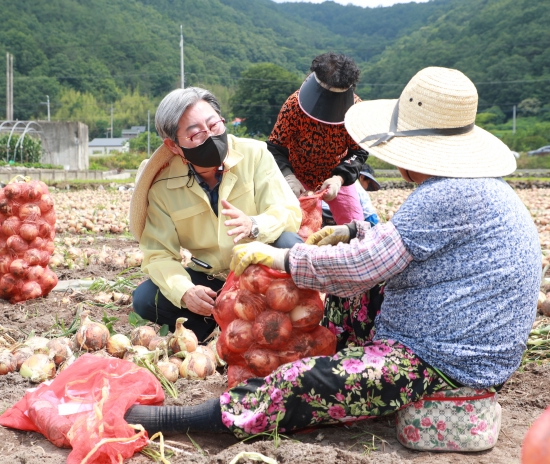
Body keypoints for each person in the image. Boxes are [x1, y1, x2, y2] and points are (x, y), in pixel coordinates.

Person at [124, 67, 541, 439]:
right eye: (195, 133)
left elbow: (362, 266)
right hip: (462, 341)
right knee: (344, 294)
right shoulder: (467, 185)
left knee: (304, 382)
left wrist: (281, 258)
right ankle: (333, 343)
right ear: (175, 145)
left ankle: (203, 418)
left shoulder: (444, 195)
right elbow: (406, 239)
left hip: (442, 359)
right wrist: (351, 229)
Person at [129, 87, 303, 341]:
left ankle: (279, 325)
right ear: (174, 146)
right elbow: (158, 255)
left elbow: (288, 212)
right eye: (196, 133)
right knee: (145, 299)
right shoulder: (163, 187)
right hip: (213, 280)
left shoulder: (255, 155)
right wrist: (186, 291)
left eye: (214, 125)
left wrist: (255, 225)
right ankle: (217, 331)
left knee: (289, 244)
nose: (210, 136)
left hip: (261, 270)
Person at [267, 52, 368, 225]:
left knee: (354, 225)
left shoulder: (355, 111)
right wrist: (288, 176)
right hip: (298, 174)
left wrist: (339, 179)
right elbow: (276, 146)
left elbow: (359, 151)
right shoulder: (293, 106)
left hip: (335, 175)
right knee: (297, 225)